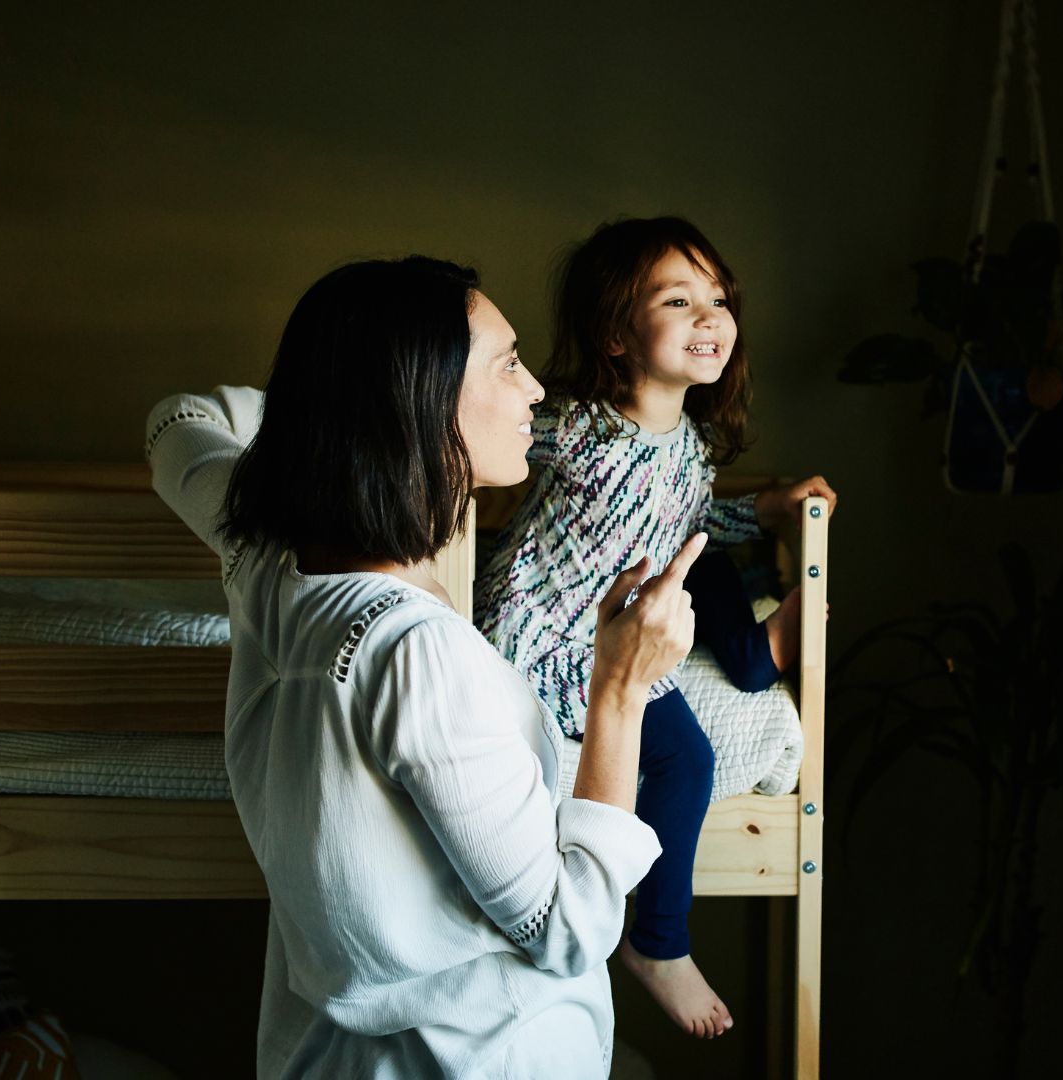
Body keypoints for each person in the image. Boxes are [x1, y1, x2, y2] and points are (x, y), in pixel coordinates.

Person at [145, 255, 699, 1078]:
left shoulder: (260, 549)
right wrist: (620, 687)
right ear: (421, 399)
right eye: (508, 364)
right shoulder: (416, 654)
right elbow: (569, 929)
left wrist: (327, 402)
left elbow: (176, 422)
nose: (536, 391)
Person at [476, 217, 835, 1039]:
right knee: (684, 738)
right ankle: (658, 941)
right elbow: (475, 431)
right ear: (614, 334)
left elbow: (692, 514)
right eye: (679, 300)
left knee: (695, 577)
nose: (710, 316)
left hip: (630, 627)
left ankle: (750, 655)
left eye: (718, 298)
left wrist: (767, 508)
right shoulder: (577, 426)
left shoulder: (691, 443)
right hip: (549, 639)